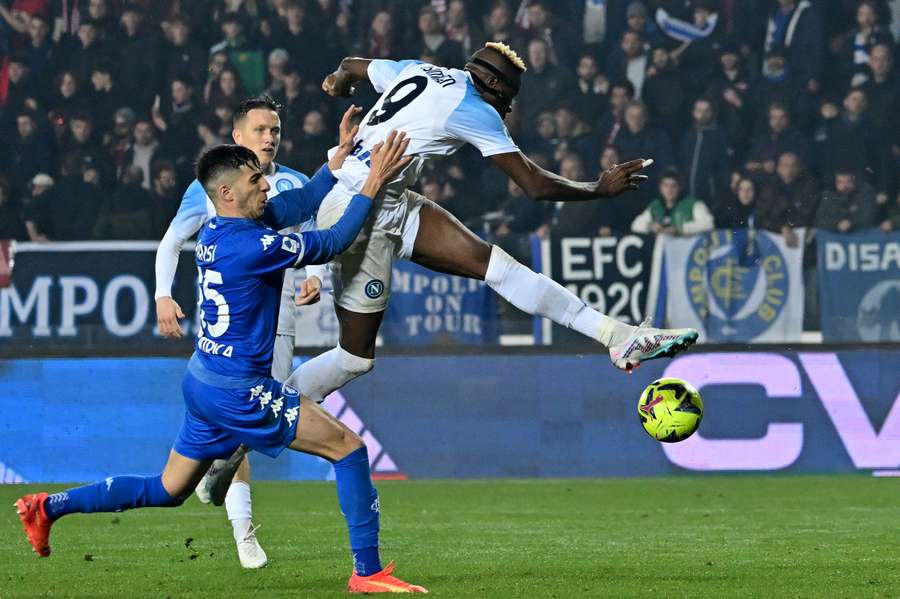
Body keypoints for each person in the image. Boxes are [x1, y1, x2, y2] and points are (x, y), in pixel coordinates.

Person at [15, 138, 427, 594]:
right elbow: (333, 241)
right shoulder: (254, 246)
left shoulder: (217, 230)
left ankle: (46, 506)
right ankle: (366, 573)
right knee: (348, 449)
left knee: (167, 490)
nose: (267, 184)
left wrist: (335, 162)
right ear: (227, 192)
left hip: (203, 381)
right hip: (239, 390)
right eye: (256, 180)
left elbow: (303, 201)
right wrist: (373, 180)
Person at [293, 42, 697, 404]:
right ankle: (272, 407)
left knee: (500, 268)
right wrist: (597, 188)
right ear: (486, 81)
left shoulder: (417, 70)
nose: (507, 107)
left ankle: (618, 337)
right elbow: (534, 185)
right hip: (355, 209)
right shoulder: (472, 109)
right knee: (354, 358)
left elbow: (350, 63)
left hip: (388, 198)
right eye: (506, 95)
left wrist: (337, 81)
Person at [152, 97, 353, 568]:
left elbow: (315, 238)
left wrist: (314, 280)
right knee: (244, 413)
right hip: (232, 327)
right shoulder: (215, 188)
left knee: (255, 424)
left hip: (280, 321)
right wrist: (163, 293)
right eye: (261, 129)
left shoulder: (294, 184)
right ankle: (244, 532)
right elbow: (172, 240)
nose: (270, 137)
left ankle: (218, 463)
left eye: (276, 129)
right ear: (238, 137)